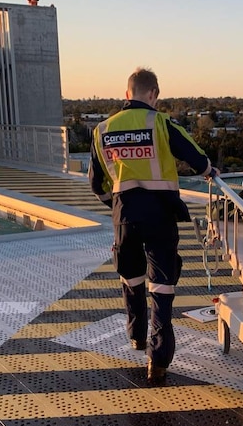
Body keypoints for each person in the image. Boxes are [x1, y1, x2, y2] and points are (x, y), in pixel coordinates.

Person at [89, 67, 215, 385]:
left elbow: (96, 182)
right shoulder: (158, 122)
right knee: (161, 288)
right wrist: (209, 169)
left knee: (131, 279)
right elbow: (195, 155)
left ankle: (136, 336)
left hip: (125, 217)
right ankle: (157, 362)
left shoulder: (102, 129)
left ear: (127, 93)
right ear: (153, 94)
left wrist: (114, 204)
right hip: (160, 216)